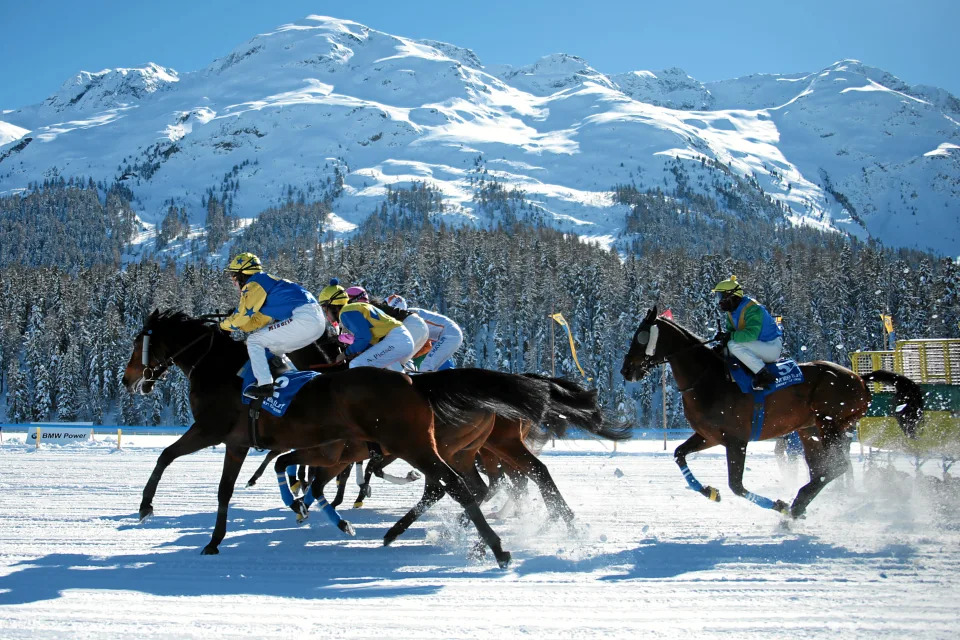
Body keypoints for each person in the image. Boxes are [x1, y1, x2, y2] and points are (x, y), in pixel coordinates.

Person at [220, 252, 326, 398]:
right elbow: (257, 321)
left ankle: (264, 385)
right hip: (315, 320)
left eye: (233, 276)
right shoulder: (266, 285)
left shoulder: (254, 283)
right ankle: (297, 382)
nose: (233, 281)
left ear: (242, 274)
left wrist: (223, 325)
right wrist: (234, 325)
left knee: (254, 340)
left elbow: (241, 316)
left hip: (305, 318)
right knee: (270, 348)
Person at [317, 278, 416, 370]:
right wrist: (356, 351)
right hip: (399, 338)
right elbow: (369, 340)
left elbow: (364, 337)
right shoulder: (353, 308)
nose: (326, 313)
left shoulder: (346, 312)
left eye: (324, 308)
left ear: (332, 305)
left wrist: (345, 353)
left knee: (356, 365)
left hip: (396, 340)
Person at [712, 275, 783, 390]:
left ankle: (763, 374)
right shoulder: (732, 312)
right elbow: (732, 333)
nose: (719, 302)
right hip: (757, 345)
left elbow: (751, 334)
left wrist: (729, 336)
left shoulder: (753, 309)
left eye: (721, 297)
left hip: (771, 347)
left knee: (733, 345)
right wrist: (723, 339)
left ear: (732, 296)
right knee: (725, 349)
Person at [386, 294, 463, 372]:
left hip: (450, 334)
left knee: (426, 367)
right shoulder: (408, 315)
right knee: (430, 367)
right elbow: (427, 346)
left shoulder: (409, 316)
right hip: (451, 333)